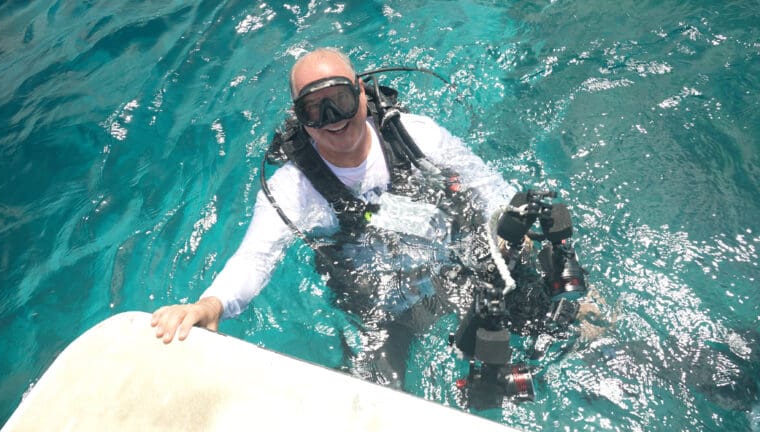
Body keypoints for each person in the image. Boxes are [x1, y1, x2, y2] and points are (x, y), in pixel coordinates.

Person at [151, 47, 539, 387]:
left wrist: (509, 226)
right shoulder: (293, 188)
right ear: (301, 118)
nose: (332, 118)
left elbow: (485, 184)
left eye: (339, 100)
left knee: (550, 313)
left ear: (362, 95)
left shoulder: (416, 135)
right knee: (376, 396)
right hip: (383, 308)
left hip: (454, 269)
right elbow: (256, 257)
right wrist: (210, 305)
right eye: (315, 109)